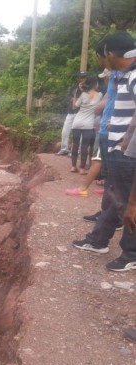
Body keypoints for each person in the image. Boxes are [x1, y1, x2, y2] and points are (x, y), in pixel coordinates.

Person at [72, 32, 136, 273]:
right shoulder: (125, 75)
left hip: (127, 154)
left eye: (103, 55)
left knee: (129, 204)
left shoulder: (134, 75)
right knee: (114, 198)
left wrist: (126, 143)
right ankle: (98, 240)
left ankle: (131, 253)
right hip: (118, 148)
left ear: (110, 53)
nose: (103, 61)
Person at [68, 76, 103, 174]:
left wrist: (75, 95)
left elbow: (74, 107)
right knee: (84, 146)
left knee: (75, 144)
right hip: (88, 123)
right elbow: (99, 109)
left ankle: (73, 167)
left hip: (77, 122)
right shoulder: (99, 95)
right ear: (95, 84)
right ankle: (82, 168)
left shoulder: (83, 95)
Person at [57, 72, 87, 155]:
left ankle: (77, 151)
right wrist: (73, 99)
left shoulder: (88, 88)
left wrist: (80, 94)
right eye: (81, 77)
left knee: (78, 133)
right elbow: (67, 97)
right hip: (71, 112)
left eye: (84, 77)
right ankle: (64, 149)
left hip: (80, 113)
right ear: (78, 79)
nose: (82, 79)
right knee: (65, 131)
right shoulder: (73, 87)